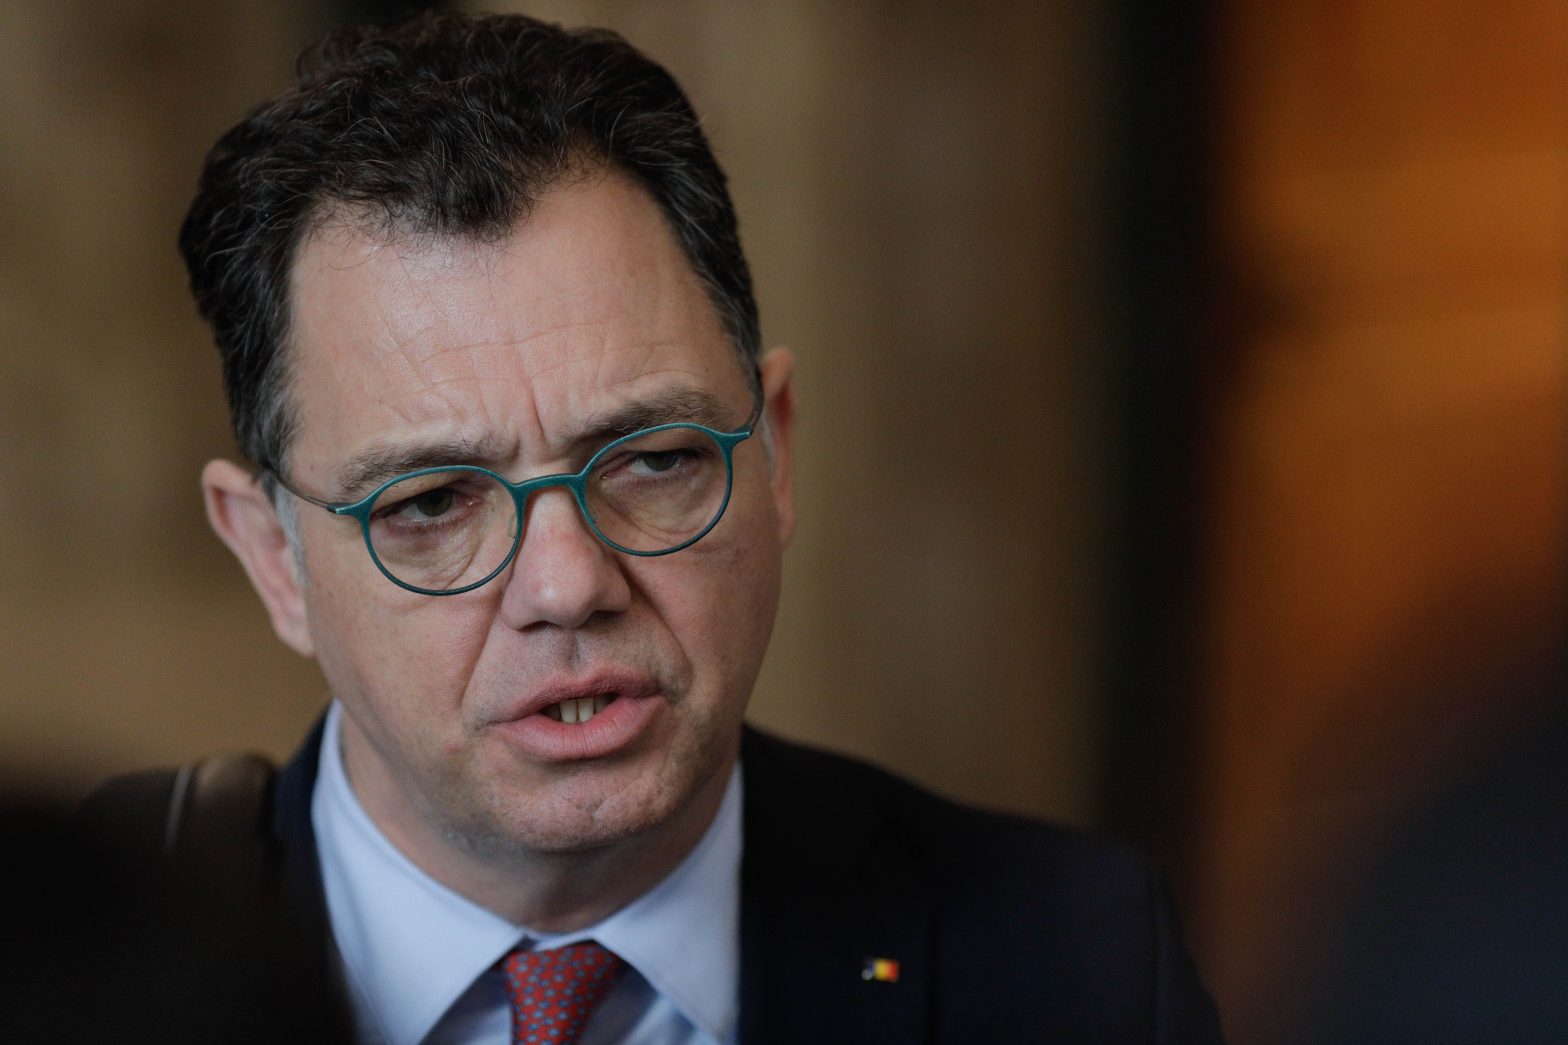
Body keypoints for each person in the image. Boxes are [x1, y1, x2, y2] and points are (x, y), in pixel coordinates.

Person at [85, 11, 1222, 1043]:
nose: (567, 583)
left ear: (774, 452)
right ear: (275, 557)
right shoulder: (62, 969)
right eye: (430, 503)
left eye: (652, 460)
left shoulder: (1080, 965)